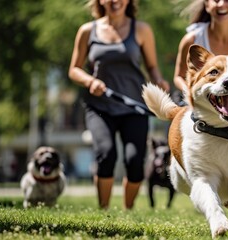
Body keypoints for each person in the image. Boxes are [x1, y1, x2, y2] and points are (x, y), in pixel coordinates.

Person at [68, 0, 169, 210]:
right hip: (100, 106)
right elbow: (74, 69)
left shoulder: (141, 29)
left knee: (135, 162)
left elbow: (152, 66)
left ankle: (127, 210)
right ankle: (104, 211)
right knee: (106, 154)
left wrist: (159, 80)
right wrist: (89, 81)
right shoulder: (88, 31)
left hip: (134, 106)